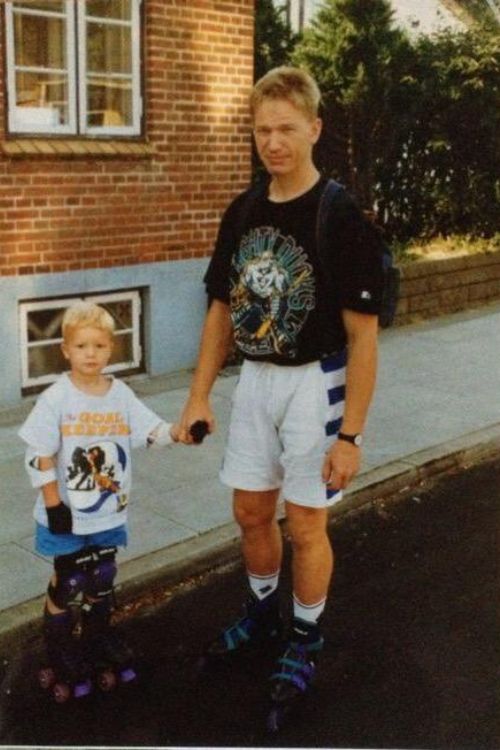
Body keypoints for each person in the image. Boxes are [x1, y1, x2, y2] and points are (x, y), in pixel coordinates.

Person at [178, 65, 383, 712]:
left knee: (306, 525)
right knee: (249, 513)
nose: (273, 142)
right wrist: (199, 394)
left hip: (314, 386)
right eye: (263, 130)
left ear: (314, 129)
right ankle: (264, 612)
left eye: (286, 129)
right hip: (257, 382)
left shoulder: (339, 214)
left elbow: (364, 336)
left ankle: (305, 634)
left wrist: (350, 434)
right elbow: (219, 308)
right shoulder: (242, 211)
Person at [19, 301, 180, 701]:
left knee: (102, 578)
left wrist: (179, 432)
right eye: (81, 346)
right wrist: (54, 504)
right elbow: (38, 452)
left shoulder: (120, 394)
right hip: (66, 515)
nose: (90, 354)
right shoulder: (57, 397)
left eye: (99, 346)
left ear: (112, 349)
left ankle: (96, 637)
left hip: (107, 512)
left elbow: (150, 431)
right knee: (69, 581)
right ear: (66, 350)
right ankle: (59, 650)